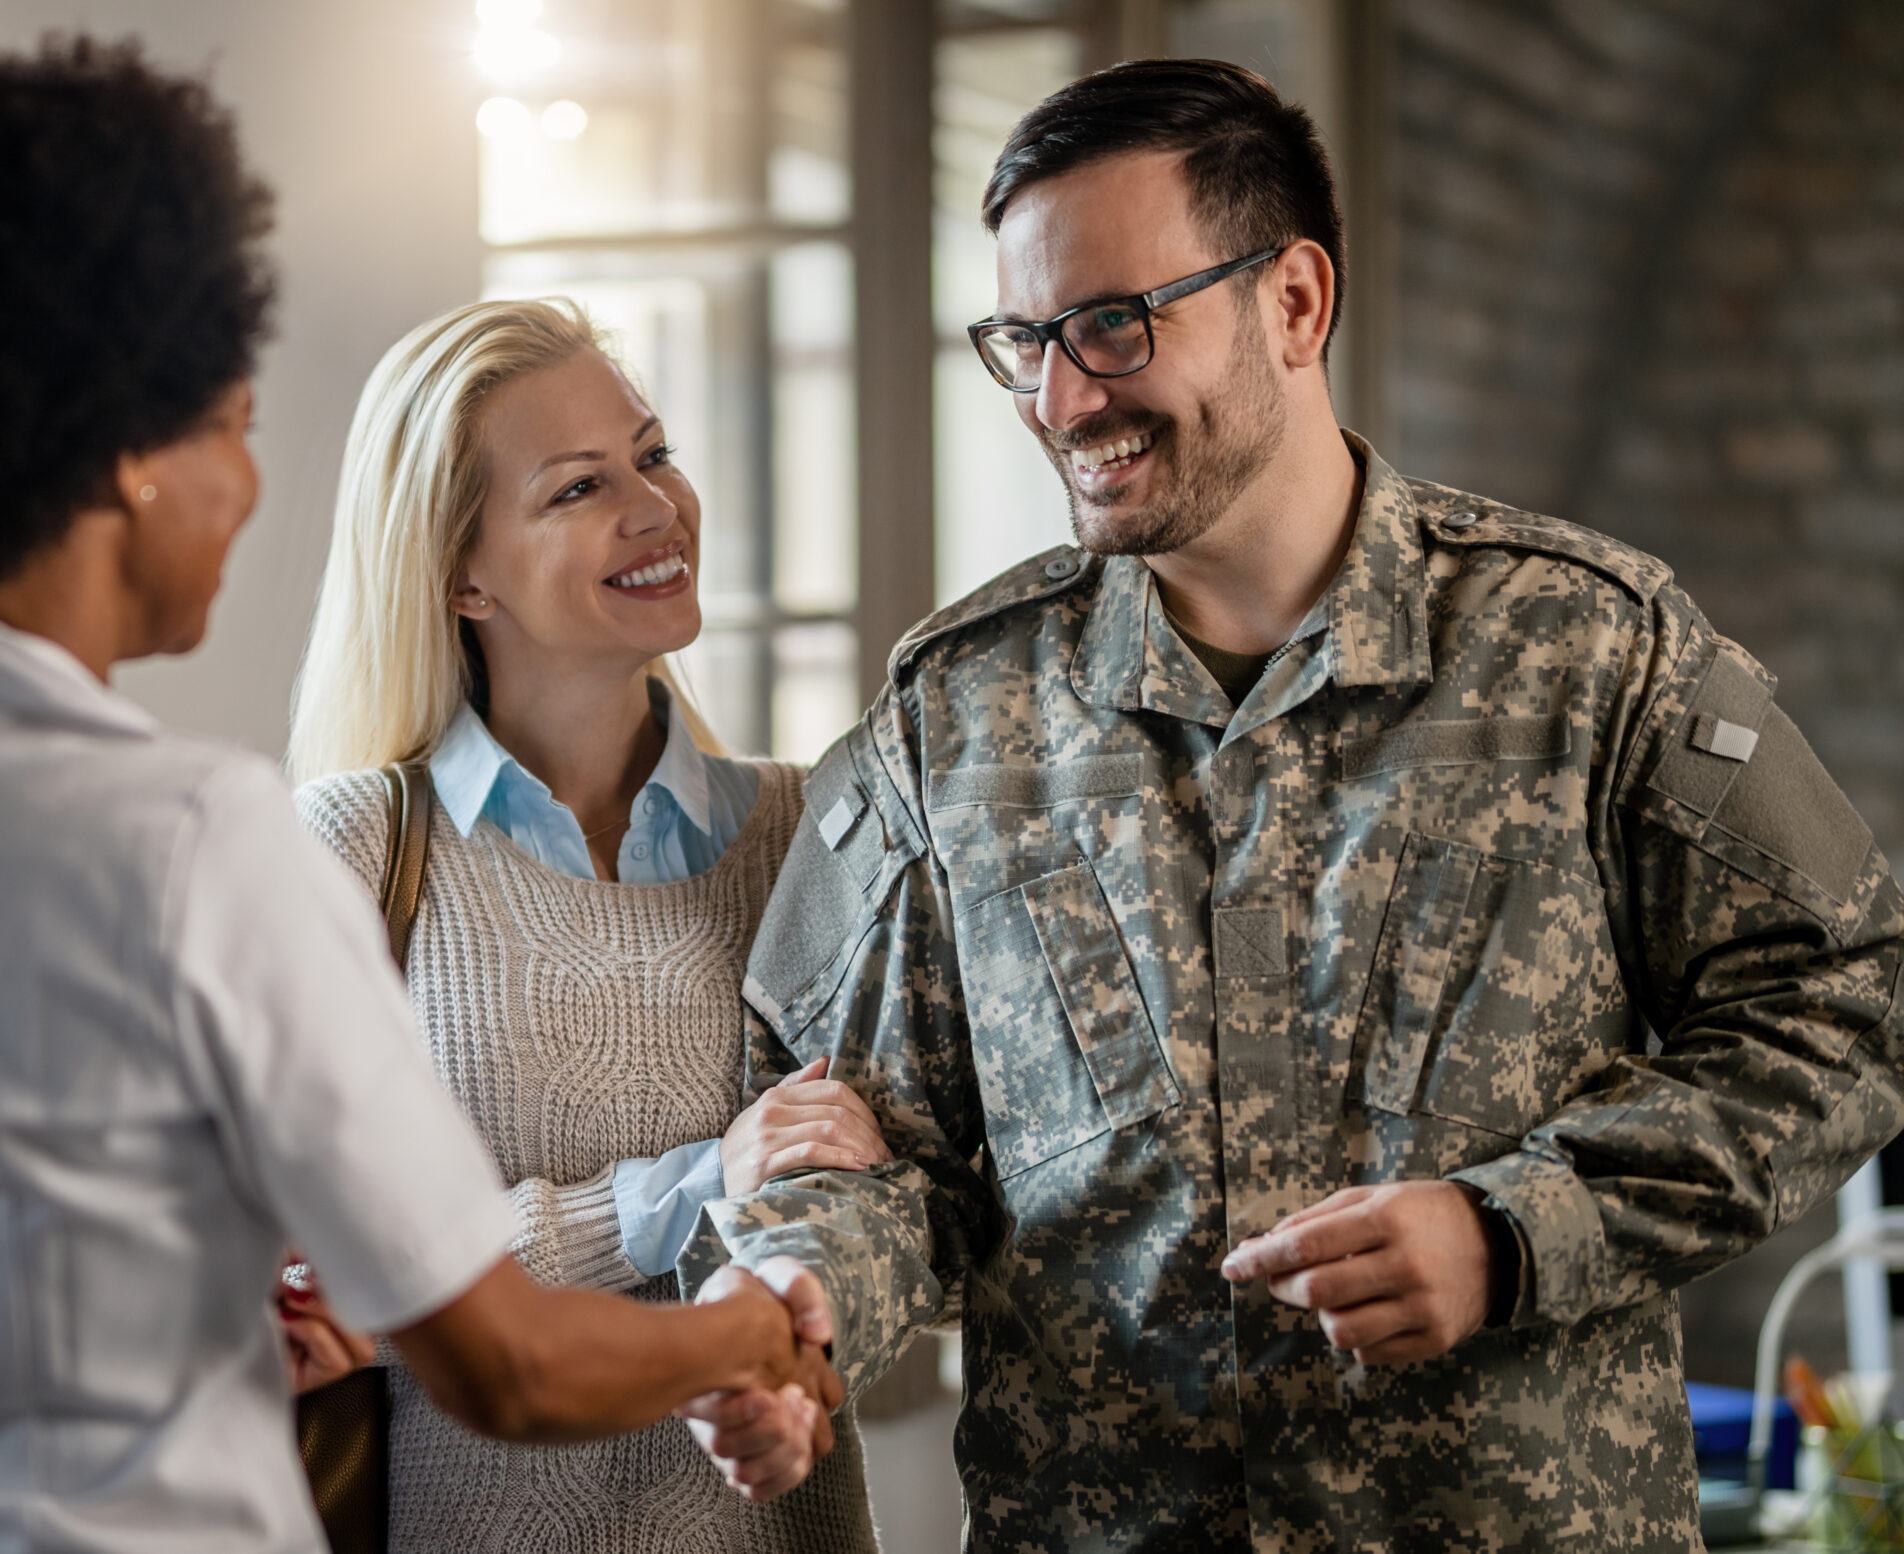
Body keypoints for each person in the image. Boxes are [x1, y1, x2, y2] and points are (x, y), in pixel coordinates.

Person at [0, 41, 836, 1554]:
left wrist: (32, 1377)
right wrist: (752, 1337)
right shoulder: (200, 840)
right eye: (232, 424)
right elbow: (504, 1363)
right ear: (132, 451)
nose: (248, 488)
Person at [681, 56, 1904, 1550]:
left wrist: (1520, 1230)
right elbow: (860, 1135)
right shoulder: (952, 709)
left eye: (1113, 326)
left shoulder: (1592, 648)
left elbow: (1847, 999)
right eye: (1025, 341)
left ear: (1296, 303)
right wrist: (795, 1302)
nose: (1063, 398)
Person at [282, 297, 885, 1550]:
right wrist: (691, 1187)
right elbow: (324, 1290)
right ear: (459, 571)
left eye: (653, 455)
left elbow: (886, 1224)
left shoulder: (807, 832)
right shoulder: (348, 850)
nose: (656, 506)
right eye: (576, 489)